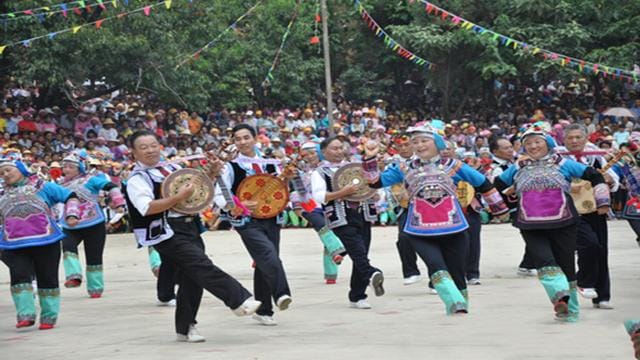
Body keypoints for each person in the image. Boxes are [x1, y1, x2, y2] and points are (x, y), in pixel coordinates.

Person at [124, 130, 261, 342]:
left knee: (193, 277)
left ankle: (185, 328)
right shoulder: (137, 179)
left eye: (153, 145)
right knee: (201, 264)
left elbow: (199, 190)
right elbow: (147, 208)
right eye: (143, 147)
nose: (150, 150)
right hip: (164, 231)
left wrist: (213, 174)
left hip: (190, 226)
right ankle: (239, 300)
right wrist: (178, 197)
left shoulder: (173, 169)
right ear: (133, 153)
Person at [366, 123, 508, 315]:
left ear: (438, 143)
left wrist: (499, 208)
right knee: (436, 266)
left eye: (425, 141)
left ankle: (459, 305)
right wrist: (369, 158)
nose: (419, 145)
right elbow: (375, 182)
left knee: (457, 273)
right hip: (418, 229)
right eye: (415, 142)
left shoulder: (455, 166)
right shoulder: (403, 167)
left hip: (454, 227)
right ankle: (455, 302)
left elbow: (483, 183)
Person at [494, 123, 610, 322]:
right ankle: (560, 297)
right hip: (530, 224)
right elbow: (496, 184)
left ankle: (571, 311)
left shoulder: (563, 163)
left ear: (547, 143)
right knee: (544, 262)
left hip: (564, 222)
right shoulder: (518, 167)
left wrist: (603, 200)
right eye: (528, 143)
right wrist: (506, 204)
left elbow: (594, 175)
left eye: (537, 141)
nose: (533, 146)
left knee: (566, 266)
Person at [213, 124, 293, 326]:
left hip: (272, 217)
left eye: (246, 137)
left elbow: (281, 188)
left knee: (263, 261)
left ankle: (264, 310)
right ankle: (281, 293)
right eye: (237, 139)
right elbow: (220, 194)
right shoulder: (230, 166)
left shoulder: (270, 162)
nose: (242, 142)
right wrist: (238, 204)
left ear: (255, 138)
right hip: (247, 221)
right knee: (268, 254)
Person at [0, 152, 80, 330]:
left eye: (8, 170)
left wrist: (72, 214)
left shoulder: (43, 186)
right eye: (2, 172)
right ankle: (25, 314)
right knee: (19, 276)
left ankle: (48, 316)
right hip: (14, 243)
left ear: (21, 169)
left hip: (46, 240)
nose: (5, 174)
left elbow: (71, 196)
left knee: (47, 277)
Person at [310, 136, 385, 310]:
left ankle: (357, 295)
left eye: (340, 148)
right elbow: (319, 197)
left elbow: (374, 187)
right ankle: (371, 274)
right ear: (324, 151)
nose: (338, 151)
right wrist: (342, 192)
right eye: (334, 148)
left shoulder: (356, 168)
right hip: (340, 217)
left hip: (363, 213)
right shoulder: (319, 172)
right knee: (358, 251)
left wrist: (374, 195)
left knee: (362, 252)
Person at [558, 123, 618, 309]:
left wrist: (609, 181)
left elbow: (614, 180)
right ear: (564, 140)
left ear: (586, 139)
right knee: (586, 245)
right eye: (570, 138)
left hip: (594, 210)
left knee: (600, 249)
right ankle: (578, 288)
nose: (574, 141)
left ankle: (602, 296)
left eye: (578, 137)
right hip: (568, 211)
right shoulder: (558, 159)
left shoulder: (596, 158)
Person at [59, 154, 126, 298]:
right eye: (64, 166)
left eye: (71, 166)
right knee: (67, 247)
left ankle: (95, 288)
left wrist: (119, 203)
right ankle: (73, 276)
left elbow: (111, 186)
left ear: (80, 168)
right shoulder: (60, 184)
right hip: (70, 224)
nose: (66, 169)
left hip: (93, 223)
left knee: (94, 256)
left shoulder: (91, 180)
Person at [295, 141, 346, 284]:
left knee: (328, 234)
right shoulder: (298, 169)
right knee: (322, 226)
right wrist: (296, 206)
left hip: (327, 204)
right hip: (308, 205)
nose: (310, 157)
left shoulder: (328, 167)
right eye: (306, 154)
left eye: (313, 152)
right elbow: (296, 188)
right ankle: (338, 250)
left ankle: (331, 274)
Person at [489, 137, 536, 276]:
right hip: (514, 206)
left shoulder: (516, 162)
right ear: (495, 151)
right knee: (532, 233)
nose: (510, 150)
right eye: (505, 148)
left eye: (511, 147)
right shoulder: (495, 169)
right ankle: (528, 265)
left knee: (535, 232)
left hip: (528, 204)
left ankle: (530, 263)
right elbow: (495, 188)